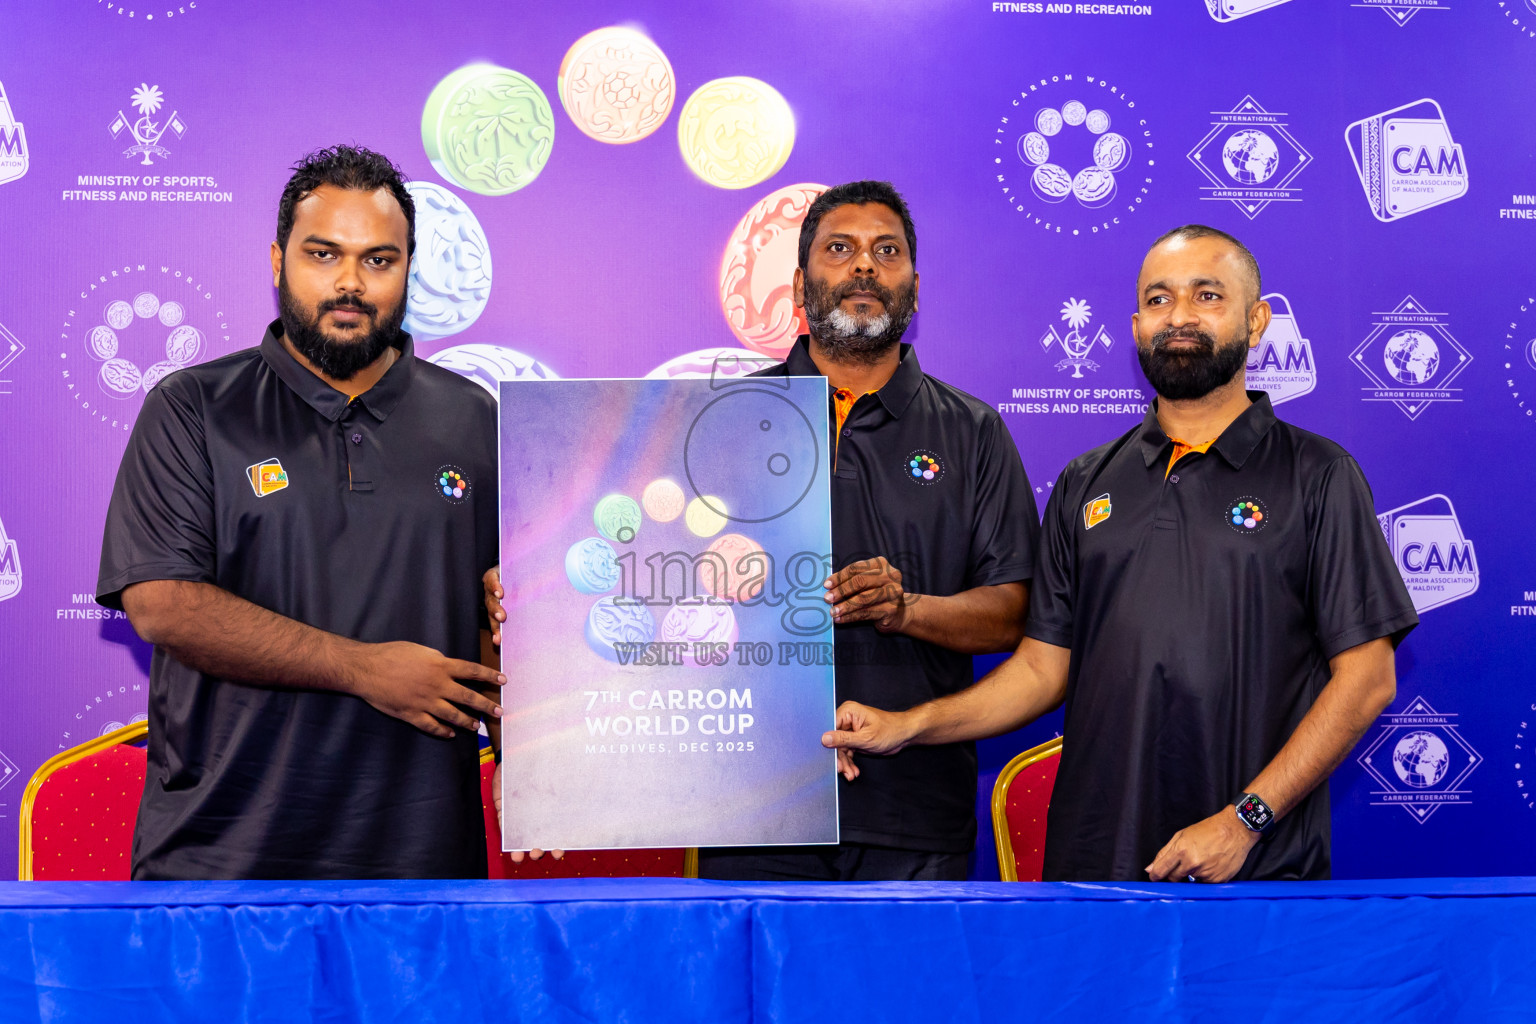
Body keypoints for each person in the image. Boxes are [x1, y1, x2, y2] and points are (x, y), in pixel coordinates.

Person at [824, 224, 1419, 883]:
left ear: (1257, 321)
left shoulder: (1319, 476)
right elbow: (1041, 672)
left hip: (1251, 870)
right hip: (1093, 867)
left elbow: (1367, 680)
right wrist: (908, 725)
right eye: (1159, 301)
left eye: (1208, 296)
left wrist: (1245, 819)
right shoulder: (1087, 482)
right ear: (1136, 327)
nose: (1181, 317)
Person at [485, 181, 1039, 880]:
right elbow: (643, 580)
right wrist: (538, 596)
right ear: (801, 288)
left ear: (917, 289)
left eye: (886, 252)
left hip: (915, 810)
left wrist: (909, 611)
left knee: (898, 995)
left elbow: (1014, 615)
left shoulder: (973, 431)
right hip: (748, 803)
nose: (864, 267)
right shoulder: (713, 421)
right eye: (840, 250)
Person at [96, 145, 506, 880]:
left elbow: (501, 618)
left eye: (379, 260)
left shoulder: (474, 418)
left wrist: (528, 755)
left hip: (423, 865)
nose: (350, 283)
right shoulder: (193, 408)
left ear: (410, 269)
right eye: (325, 254)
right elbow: (163, 605)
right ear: (279, 260)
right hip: (222, 860)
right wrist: (364, 669)